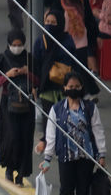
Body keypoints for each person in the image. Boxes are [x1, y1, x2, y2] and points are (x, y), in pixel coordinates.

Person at [40, 72, 107, 195]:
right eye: (70, 87)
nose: (74, 89)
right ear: (64, 87)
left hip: (86, 157)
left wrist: (101, 155)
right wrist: (47, 159)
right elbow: (51, 136)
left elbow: (98, 131)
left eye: (77, 86)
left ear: (82, 87)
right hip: (66, 158)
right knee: (66, 190)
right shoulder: (56, 109)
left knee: (84, 190)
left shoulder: (90, 108)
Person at [0, 29, 36, 186]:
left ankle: (21, 175)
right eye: (14, 45)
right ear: (9, 44)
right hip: (8, 105)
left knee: (25, 138)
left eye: (20, 45)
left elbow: (38, 81)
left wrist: (27, 73)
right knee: (11, 138)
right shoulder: (2, 58)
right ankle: (9, 170)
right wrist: (8, 75)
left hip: (26, 104)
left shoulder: (29, 58)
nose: (17, 48)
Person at [51, 0, 100, 96]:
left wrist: (94, 37)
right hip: (65, 36)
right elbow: (55, 14)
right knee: (67, 65)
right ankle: (68, 89)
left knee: (81, 66)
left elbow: (89, 18)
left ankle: (87, 91)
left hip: (80, 37)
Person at [33, 9, 78, 141]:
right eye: (47, 22)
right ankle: (50, 142)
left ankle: (63, 142)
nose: (49, 25)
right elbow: (36, 64)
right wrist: (35, 85)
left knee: (65, 116)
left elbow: (73, 61)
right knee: (49, 116)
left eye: (53, 22)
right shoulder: (40, 41)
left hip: (64, 85)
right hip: (47, 85)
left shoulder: (67, 40)